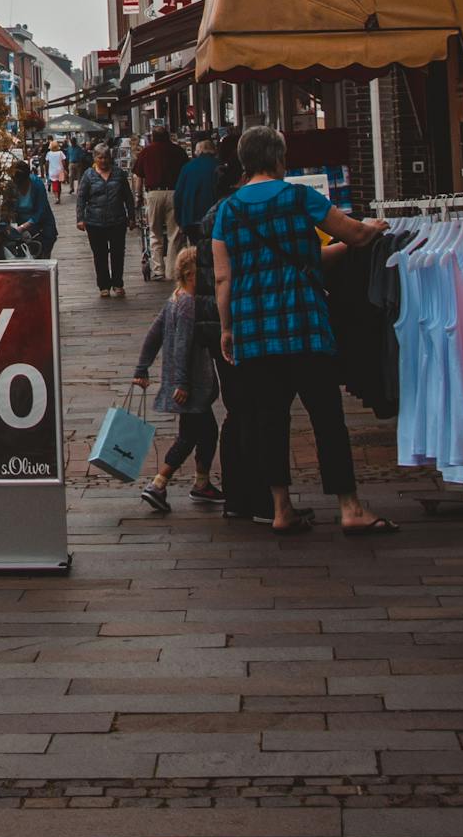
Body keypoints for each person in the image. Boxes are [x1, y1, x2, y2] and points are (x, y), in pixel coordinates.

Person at [209, 126, 392, 536]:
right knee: (327, 417)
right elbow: (352, 233)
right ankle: (349, 506)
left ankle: (281, 508)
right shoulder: (299, 197)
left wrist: (226, 328)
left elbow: (224, 279)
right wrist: (373, 230)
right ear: (278, 158)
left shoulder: (228, 210)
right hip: (304, 323)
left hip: (254, 328)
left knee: (270, 420)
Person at [129, 244, 221, 515]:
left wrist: (141, 367)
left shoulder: (175, 298)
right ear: (192, 274)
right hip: (190, 384)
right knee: (189, 436)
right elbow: (182, 345)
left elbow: (153, 334)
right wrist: (182, 383)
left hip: (186, 383)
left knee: (206, 432)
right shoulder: (189, 305)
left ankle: (202, 482)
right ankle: (158, 483)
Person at [77, 149, 137, 297]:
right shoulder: (88, 175)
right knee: (100, 254)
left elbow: (128, 197)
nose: (103, 160)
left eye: (106, 157)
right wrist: (80, 218)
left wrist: (132, 216)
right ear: (95, 158)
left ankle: (117, 283)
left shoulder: (118, 174)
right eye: (100, 157)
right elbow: (81, 197)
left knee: (118, 253)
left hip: (117, 220)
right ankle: (103, 285)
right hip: (95, 222)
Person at [139, 128, 187, 268]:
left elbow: (139, 176)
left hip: (154, 194)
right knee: (174, 233)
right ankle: (172, 269)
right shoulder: (178, 151)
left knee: (155, 232)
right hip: (174, 193)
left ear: (153, 137)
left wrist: (138, 196)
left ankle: (158, 268)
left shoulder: (146, 152)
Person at [6, 156, 57, 259]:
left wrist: (23, 227)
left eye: (20, 183)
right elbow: (8, 207)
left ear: (27, 178)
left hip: (42, 228)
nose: (18, 186)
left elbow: (41, 210)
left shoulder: (37, 184)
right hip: (22, 231)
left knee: (42, 259)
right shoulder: (11, 186)